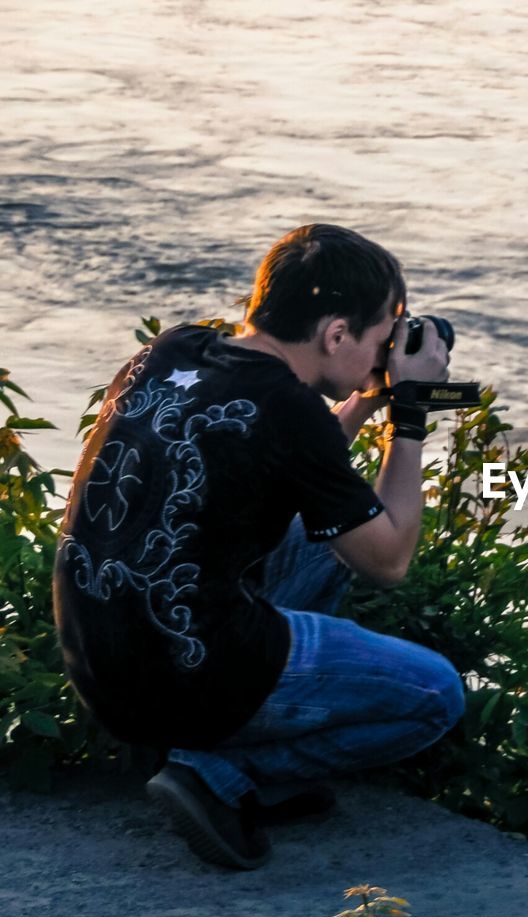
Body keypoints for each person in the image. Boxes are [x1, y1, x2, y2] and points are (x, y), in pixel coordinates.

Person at [53, 223, 465, 869]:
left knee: (322, 534)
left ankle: (188, 747)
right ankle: (216, 774)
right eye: (383, 335)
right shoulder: (288, 413)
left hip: (106, 668)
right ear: (335, 334)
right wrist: (409, 412)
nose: (388, 347)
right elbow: (388, 560)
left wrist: (363, 399)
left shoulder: (174, 350)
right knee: (437, 694)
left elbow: (292, 451)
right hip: (191, 674)